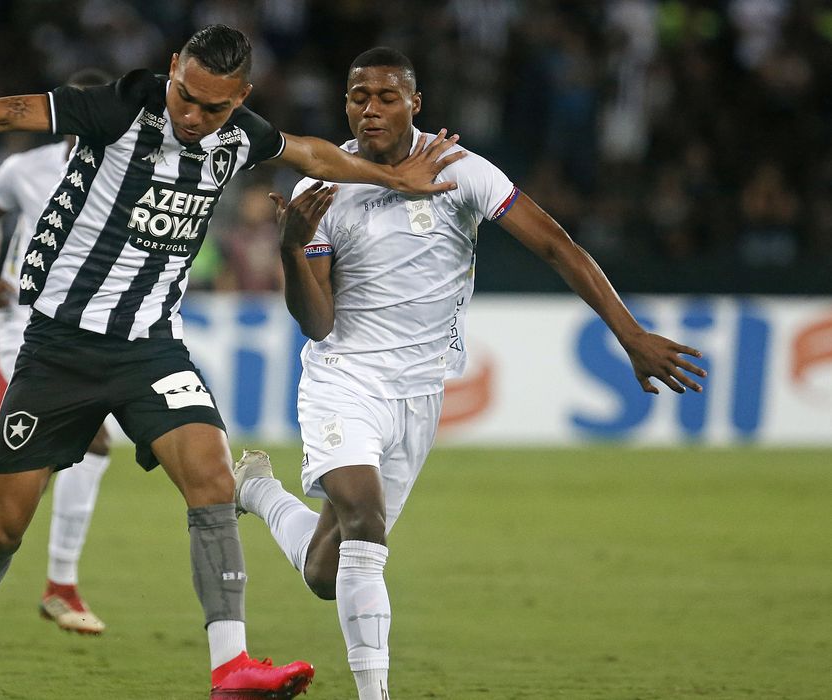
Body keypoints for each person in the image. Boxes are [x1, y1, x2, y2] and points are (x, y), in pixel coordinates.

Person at [0, 25, 462, 698]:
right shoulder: (118, 110)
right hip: (60, 348)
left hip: (150, 348)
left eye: (213, 108)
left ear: (240, 98)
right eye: (185, 97)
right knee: (4, 525)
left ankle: (231, 668)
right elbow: (0, 112)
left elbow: (312, 153)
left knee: (213, 477)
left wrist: (397, 178)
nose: (193, 117)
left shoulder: (241, 135)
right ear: (171, 71)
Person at [232, 47, 707, 700]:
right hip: (344, 380)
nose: (370, 108)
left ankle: (256, 491)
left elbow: (555, 245)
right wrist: (292, 247)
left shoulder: (463, 171)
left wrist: (630, 335)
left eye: (386, 96)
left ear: (416, 103)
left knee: (325, 570)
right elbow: (315, 323)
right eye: (357, 96)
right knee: (364, 519)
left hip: (421, 393)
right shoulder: (324, 190)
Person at [0, 69, 113, 646]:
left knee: (44, 462)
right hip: (24, 327)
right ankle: (60, 584)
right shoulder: (24, 170)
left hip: (85, 328)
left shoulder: (128, 170)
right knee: (92, 439)